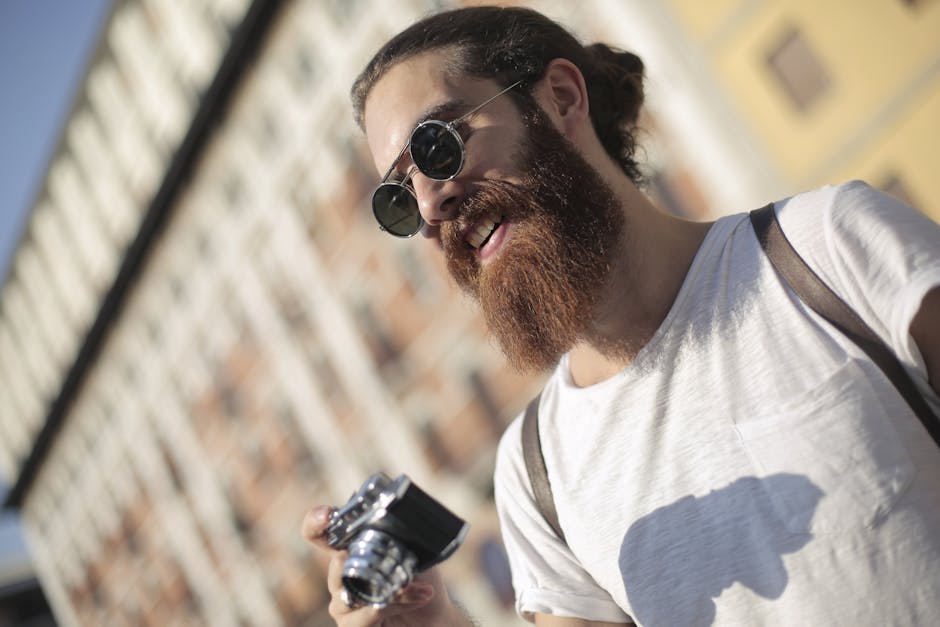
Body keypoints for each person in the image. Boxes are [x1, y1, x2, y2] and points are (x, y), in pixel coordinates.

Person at [302, 5, 940, 626]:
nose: (429, 208)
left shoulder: (828, 246)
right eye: (398, 199)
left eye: (437, 145)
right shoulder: (536, 471)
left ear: (560, 98)